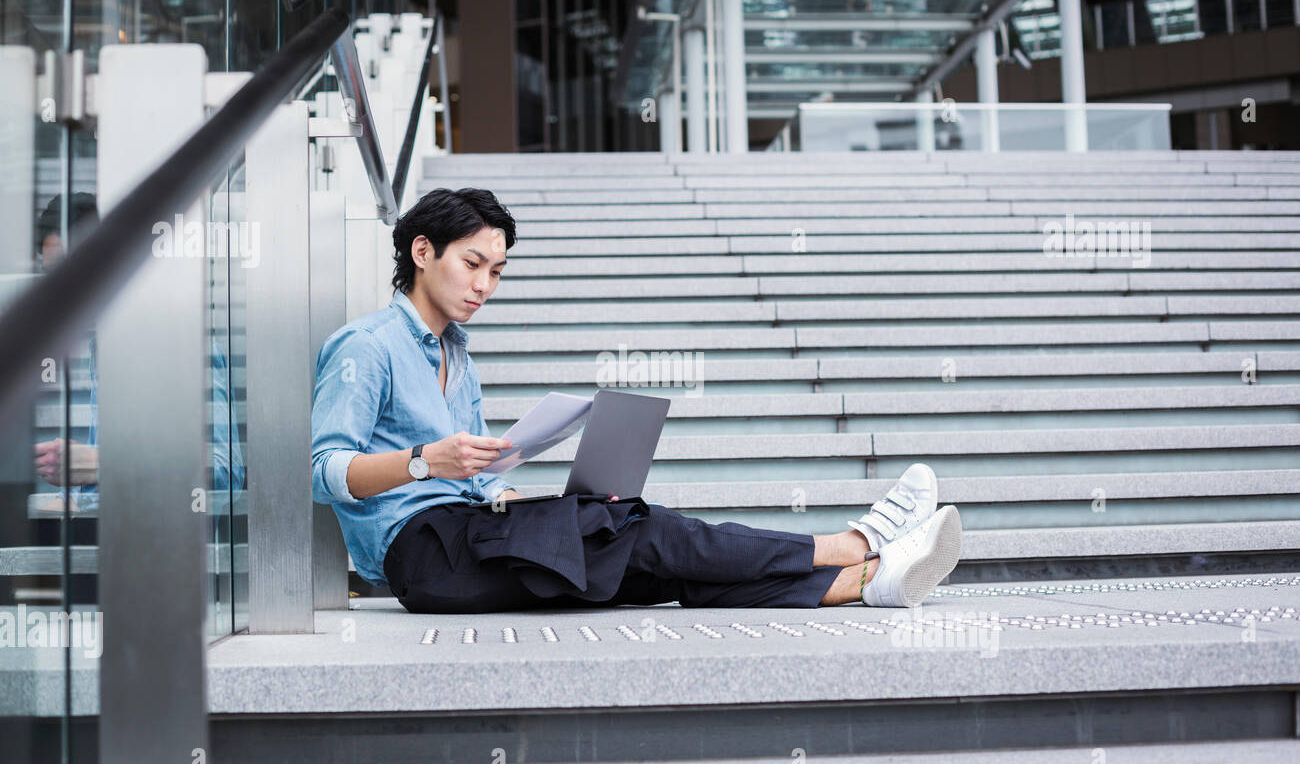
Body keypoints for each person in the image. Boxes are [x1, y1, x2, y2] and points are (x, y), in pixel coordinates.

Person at [311, 188, 963, 614]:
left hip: (469, 532)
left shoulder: (457, 353)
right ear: (422, 252)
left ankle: (864, 584)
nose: (485, 284)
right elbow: (321, 475)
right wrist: (425, 462)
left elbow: (472, 480)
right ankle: (852, 543)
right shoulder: (366, 347)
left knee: (649, 564)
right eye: (473, 263)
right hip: (421, 553)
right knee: (644, 531)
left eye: (498, 272)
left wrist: (498, 490)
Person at [31, 194, 246, 512]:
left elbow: (224, 473)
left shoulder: (176, 338)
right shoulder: (103, 343)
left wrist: (95, 465)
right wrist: (77, 499)